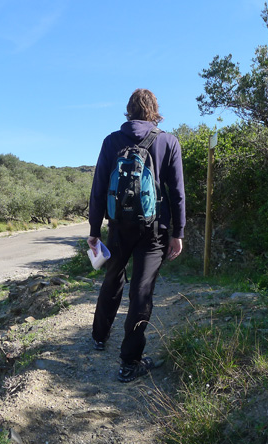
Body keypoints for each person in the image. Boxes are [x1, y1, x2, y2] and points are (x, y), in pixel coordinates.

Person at [88, 88, 186, 382]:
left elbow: (99, 188)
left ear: (128, 111)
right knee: (141, 291)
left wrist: (94, 231)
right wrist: (177, 233)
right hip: (154, 231)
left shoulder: (111, 141)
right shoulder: (168, 141)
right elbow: (177, 192)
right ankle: (130, 362)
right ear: (154, 111)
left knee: (113, 278)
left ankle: (99, 337)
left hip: (118, 227)